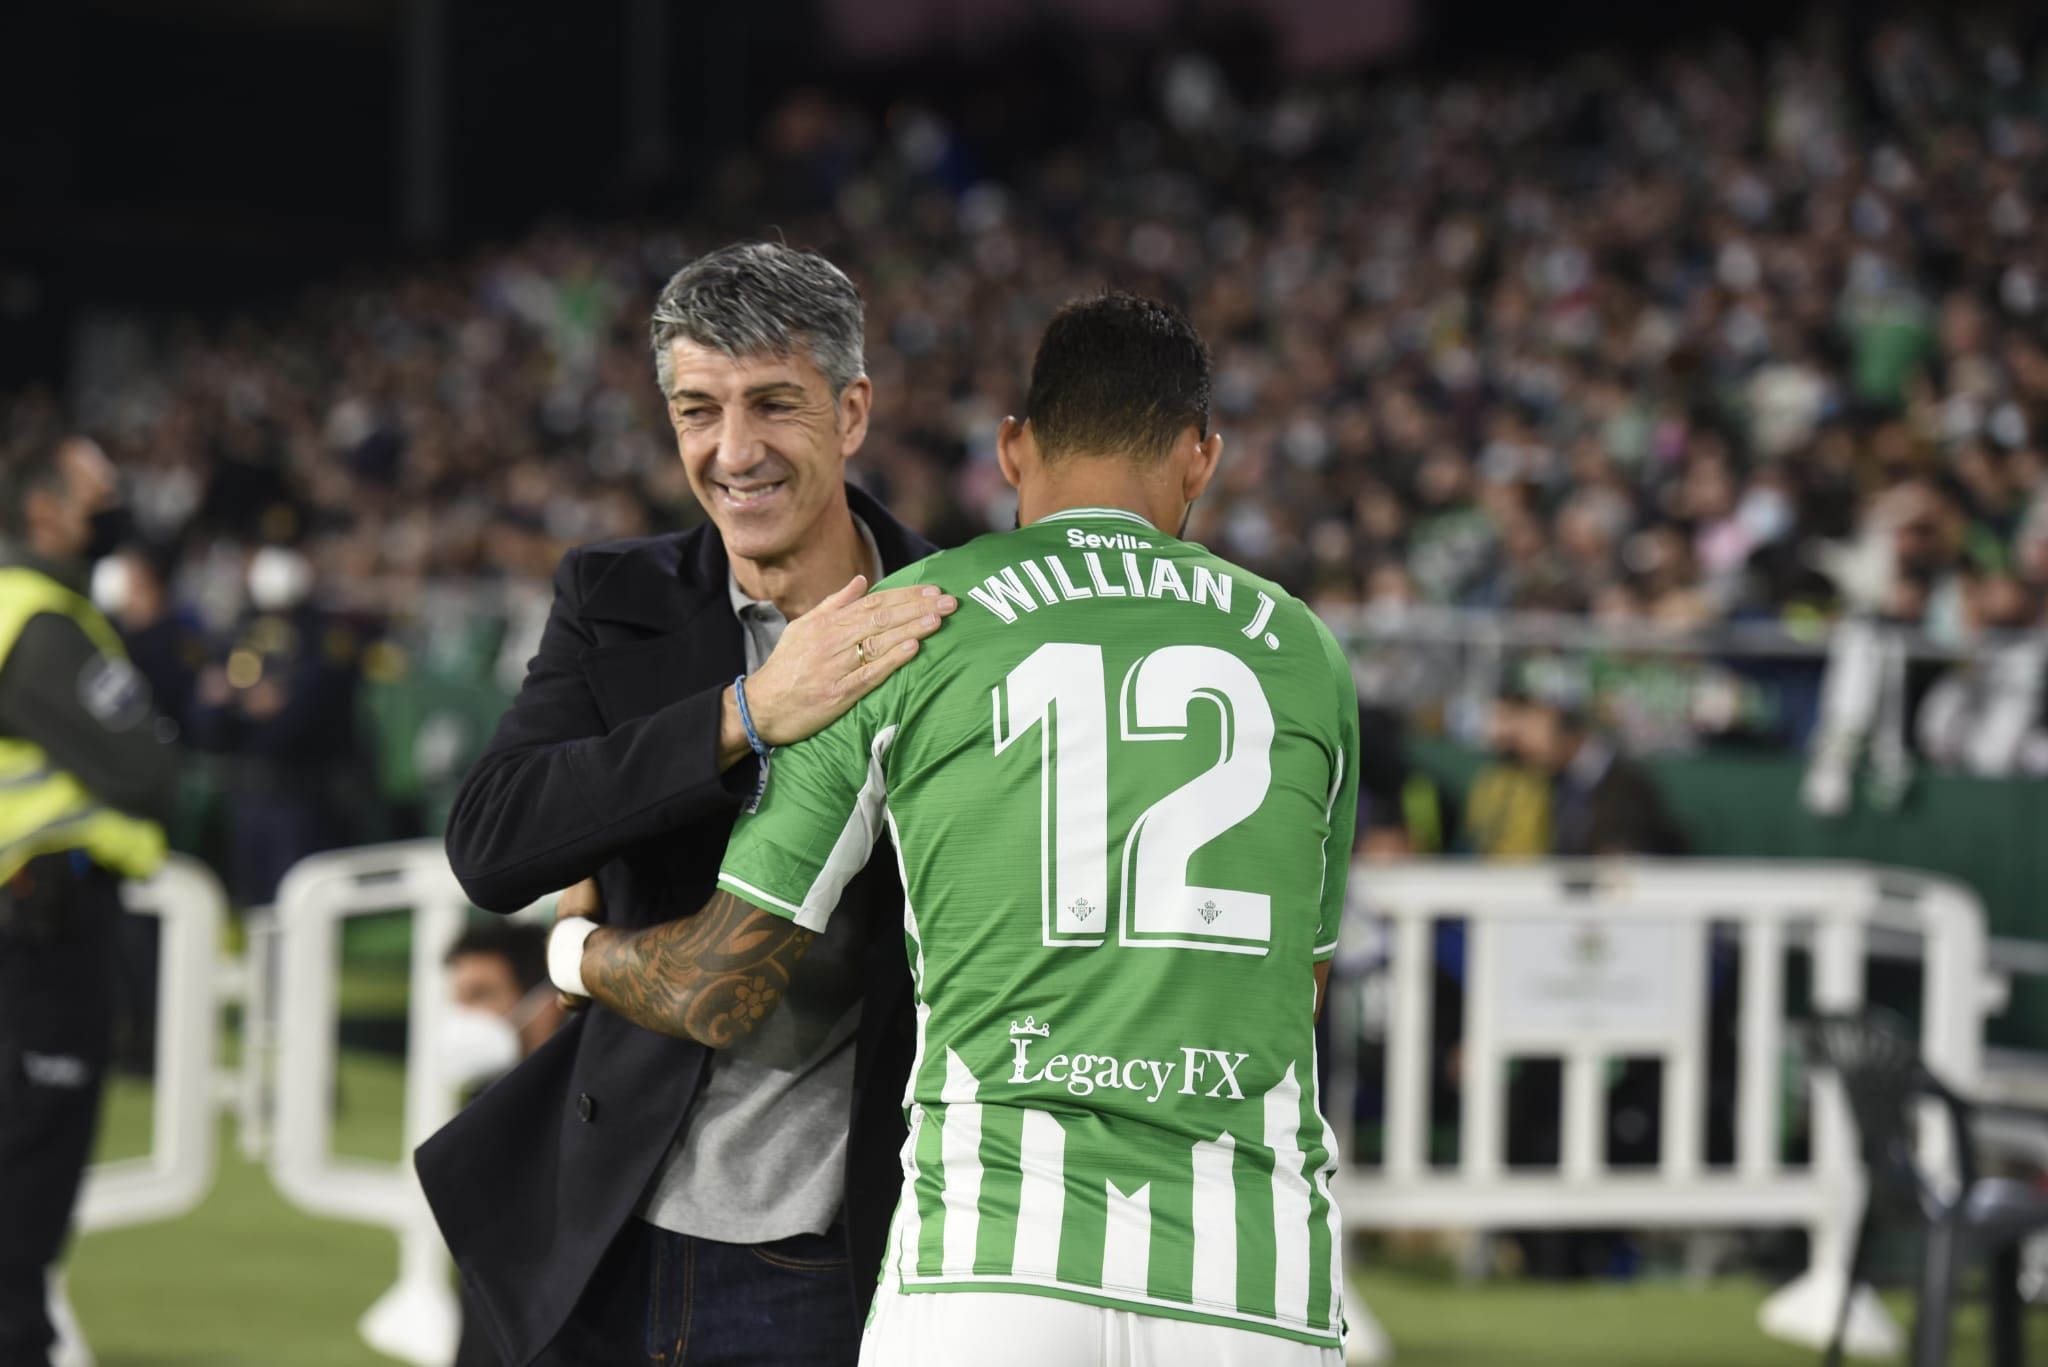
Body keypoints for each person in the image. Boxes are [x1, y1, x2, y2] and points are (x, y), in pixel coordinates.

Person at [554, 292, 1359, 1365]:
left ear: (1014, 449)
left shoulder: (909, 621)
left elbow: (718, 984)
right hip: (1249, 1273)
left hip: (989, 1261)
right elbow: (1291, 986)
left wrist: (574, 950)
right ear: (1199, 457)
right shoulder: (1302, 650)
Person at [417, 242, 959, 1367]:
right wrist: (745, 709)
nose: (733, 449)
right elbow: (491, 842)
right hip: (594, 1230)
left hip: (823, 1251)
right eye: (697, 409)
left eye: (773, 405)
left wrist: (575, 954)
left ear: (851, 411)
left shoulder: (950, 621)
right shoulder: (611, 596)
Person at [0, 436, 178, 1367]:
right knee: (25, 1177)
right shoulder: (40, 619)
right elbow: (147, 768)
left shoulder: (31, 609)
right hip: (39, 926)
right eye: (95, 490)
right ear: (43, 510)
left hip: (32, 922)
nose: (115, 502)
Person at [432, 923, 568, 1367]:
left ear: (545, 1004)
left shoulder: (589, 1117)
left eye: (481, 995)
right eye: (459, 997)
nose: (462, 1016)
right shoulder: (480, 1109)